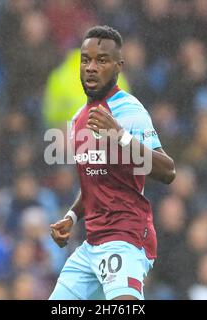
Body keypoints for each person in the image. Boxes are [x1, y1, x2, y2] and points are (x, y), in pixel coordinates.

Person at [48, 25, 176, 300]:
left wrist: (120, 137)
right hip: (91, 243)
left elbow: (168, 170)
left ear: (118, 66)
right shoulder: (79, 118)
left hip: (125, 236)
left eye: (101, 60)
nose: (91, 67)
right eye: (86, 60)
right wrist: (72, 216)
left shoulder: (130, 112)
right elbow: (95, 181)